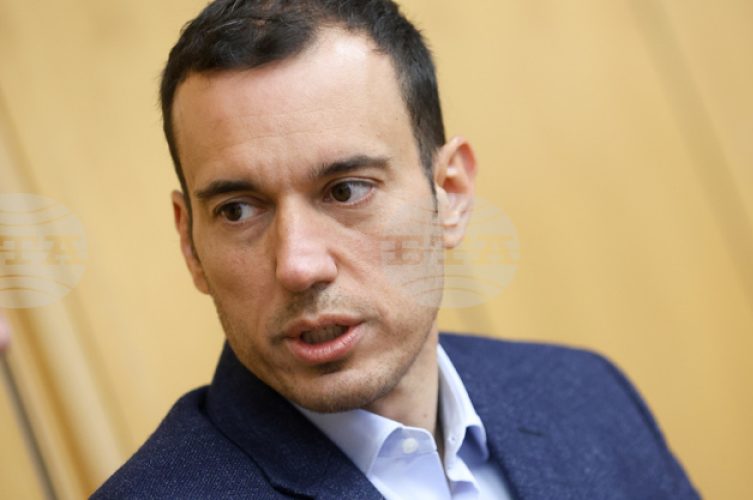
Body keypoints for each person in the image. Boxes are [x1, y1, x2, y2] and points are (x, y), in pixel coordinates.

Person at [93, 1, 699, 498]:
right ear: (190, 243)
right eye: (237, 210)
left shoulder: (586, 396)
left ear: (450, 193)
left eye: (346, 190)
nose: (299, 265)